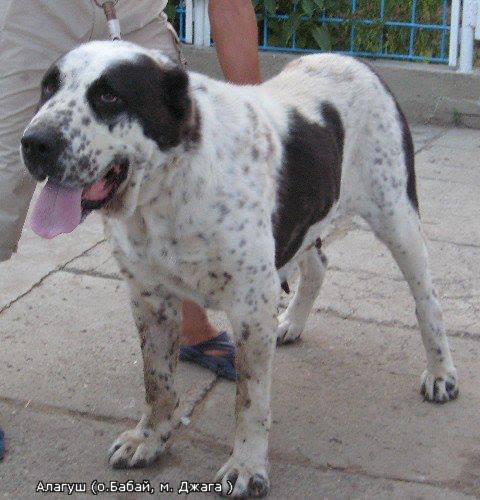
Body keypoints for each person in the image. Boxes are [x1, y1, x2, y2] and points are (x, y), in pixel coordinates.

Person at [0, 0, 261, 460]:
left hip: (135, 13)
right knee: (3, 181)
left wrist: (258, 129)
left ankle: (191, 330)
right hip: (36, 12)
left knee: (176, 175)